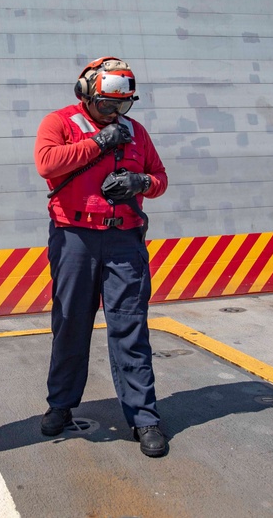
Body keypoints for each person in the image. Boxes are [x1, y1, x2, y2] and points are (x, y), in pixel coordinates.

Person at [34, 56, 169, 457]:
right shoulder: (58, 123)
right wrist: (98, 142)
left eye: (122, 106)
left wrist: (140, 181)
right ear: (85, 94)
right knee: (71, 322)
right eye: (107, 105)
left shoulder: (136, 132)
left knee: (130, 328)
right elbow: (47, 163)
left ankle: (144, 418)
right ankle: (60, 405)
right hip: (74, 237)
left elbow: (160, 178)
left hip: (124, 239)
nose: (114, 113)